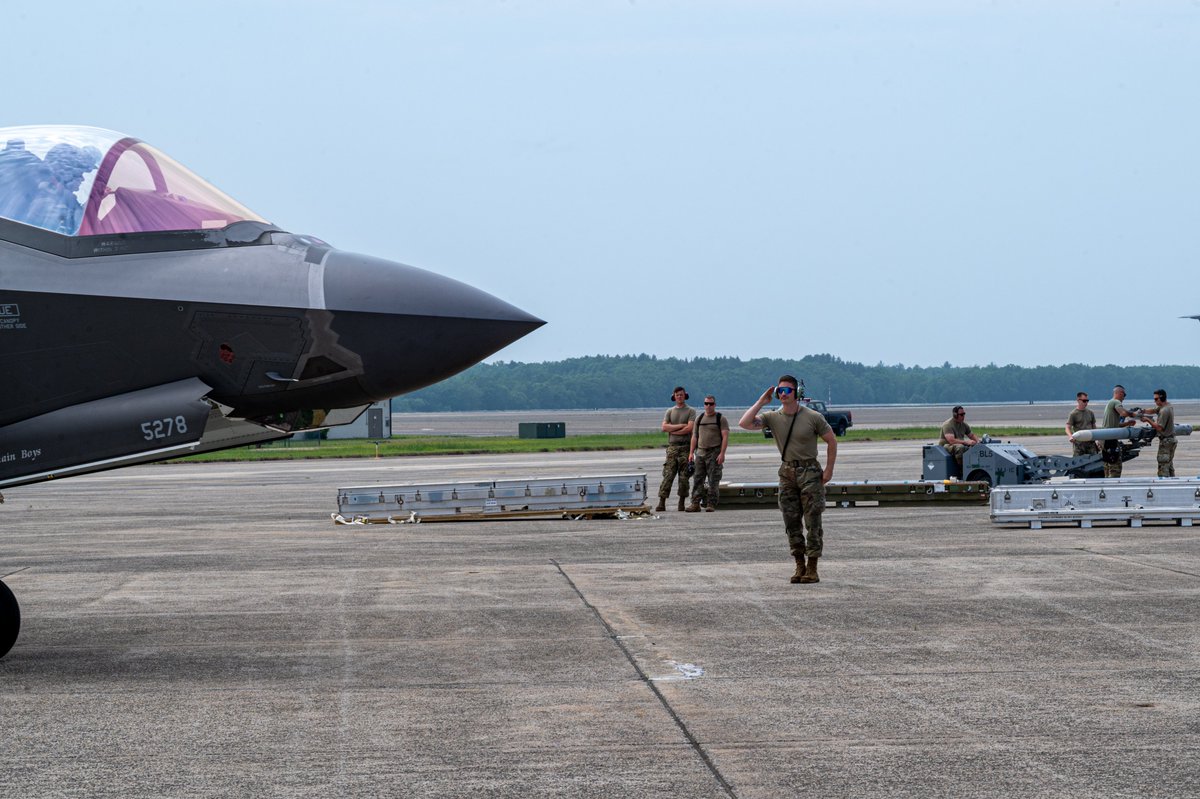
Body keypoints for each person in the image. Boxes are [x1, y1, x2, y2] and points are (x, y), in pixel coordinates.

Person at [739, 375, 837, 584]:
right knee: (791, 520)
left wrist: (828, 470)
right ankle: (799, 564)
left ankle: (812, 567)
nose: (783, 394)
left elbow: (831, 440)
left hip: (810, 471)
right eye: (780, 391)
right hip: (787, 472)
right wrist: (761, 402)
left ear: (797, 393)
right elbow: (744, 423)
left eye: (787, 391)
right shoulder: (772, 417)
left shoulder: (812, 416)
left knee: (813, 520)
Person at [686, 395, 729, 513]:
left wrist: (722, 453)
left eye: (711, 404)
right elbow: (694, 436)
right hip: (700, 452)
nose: (708, 406)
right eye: (706, 403)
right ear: (704, 404)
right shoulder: (699, 419)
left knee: (713, 480)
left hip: (714, 452)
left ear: (715, 405)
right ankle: (695, 503)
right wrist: (691, 453)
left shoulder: (720, 418)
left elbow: (725, 436)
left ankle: (711, 503)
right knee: (697, 479)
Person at [656, 386, 696, 512]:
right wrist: (680, 427)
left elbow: (689, 428)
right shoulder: (669, 411)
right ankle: (662, 501)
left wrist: (674, 430)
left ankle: (682, 502)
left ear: (685, 395)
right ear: (674, 396)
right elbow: (664, 427)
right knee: (668, 475)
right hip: (672, 448)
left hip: (685, 447)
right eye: (677, 395)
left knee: (684, 477)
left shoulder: (691, 411)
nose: (679, 397)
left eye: (681, 395)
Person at [1101, 385, 1139, 478]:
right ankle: (1114, 487)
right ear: (1120, 393)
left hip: (1105, 438)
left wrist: (1127, 423)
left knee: (1107, 467)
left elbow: (1115, 424)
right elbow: (1123, 413)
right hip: (1111, 439)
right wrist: (1135, 414)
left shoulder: (1109, 403)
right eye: (1124, 394)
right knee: (1115, 467)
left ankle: (1107, 488)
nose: (1124, 397)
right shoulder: (1116, 402)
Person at [1140, 389, 1177, 477]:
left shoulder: (1164, 411)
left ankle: (1163, 485)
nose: (1154, 401)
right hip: (1171, 440)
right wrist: (1142, 411)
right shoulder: (1167, 406)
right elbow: (1153, 410)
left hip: (1166, 441)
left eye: (1156, 399)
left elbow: (1159, 427)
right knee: (1169, 465)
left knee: (1163, 465)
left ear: (1161, 398)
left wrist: (1147, 420)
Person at [1065, 392, 1098, 457]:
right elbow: (1067, 427)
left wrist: (1097, 439)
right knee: (1077, 463)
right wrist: (1070, 436)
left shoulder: (1090, 413)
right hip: (1079, 445)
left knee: (1094, 462)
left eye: (1087, 401)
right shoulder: (1073, 414)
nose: (1086, 403)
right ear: (1078, 400)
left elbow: (1094, 426)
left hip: (1090, 443)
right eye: (1084, 401)